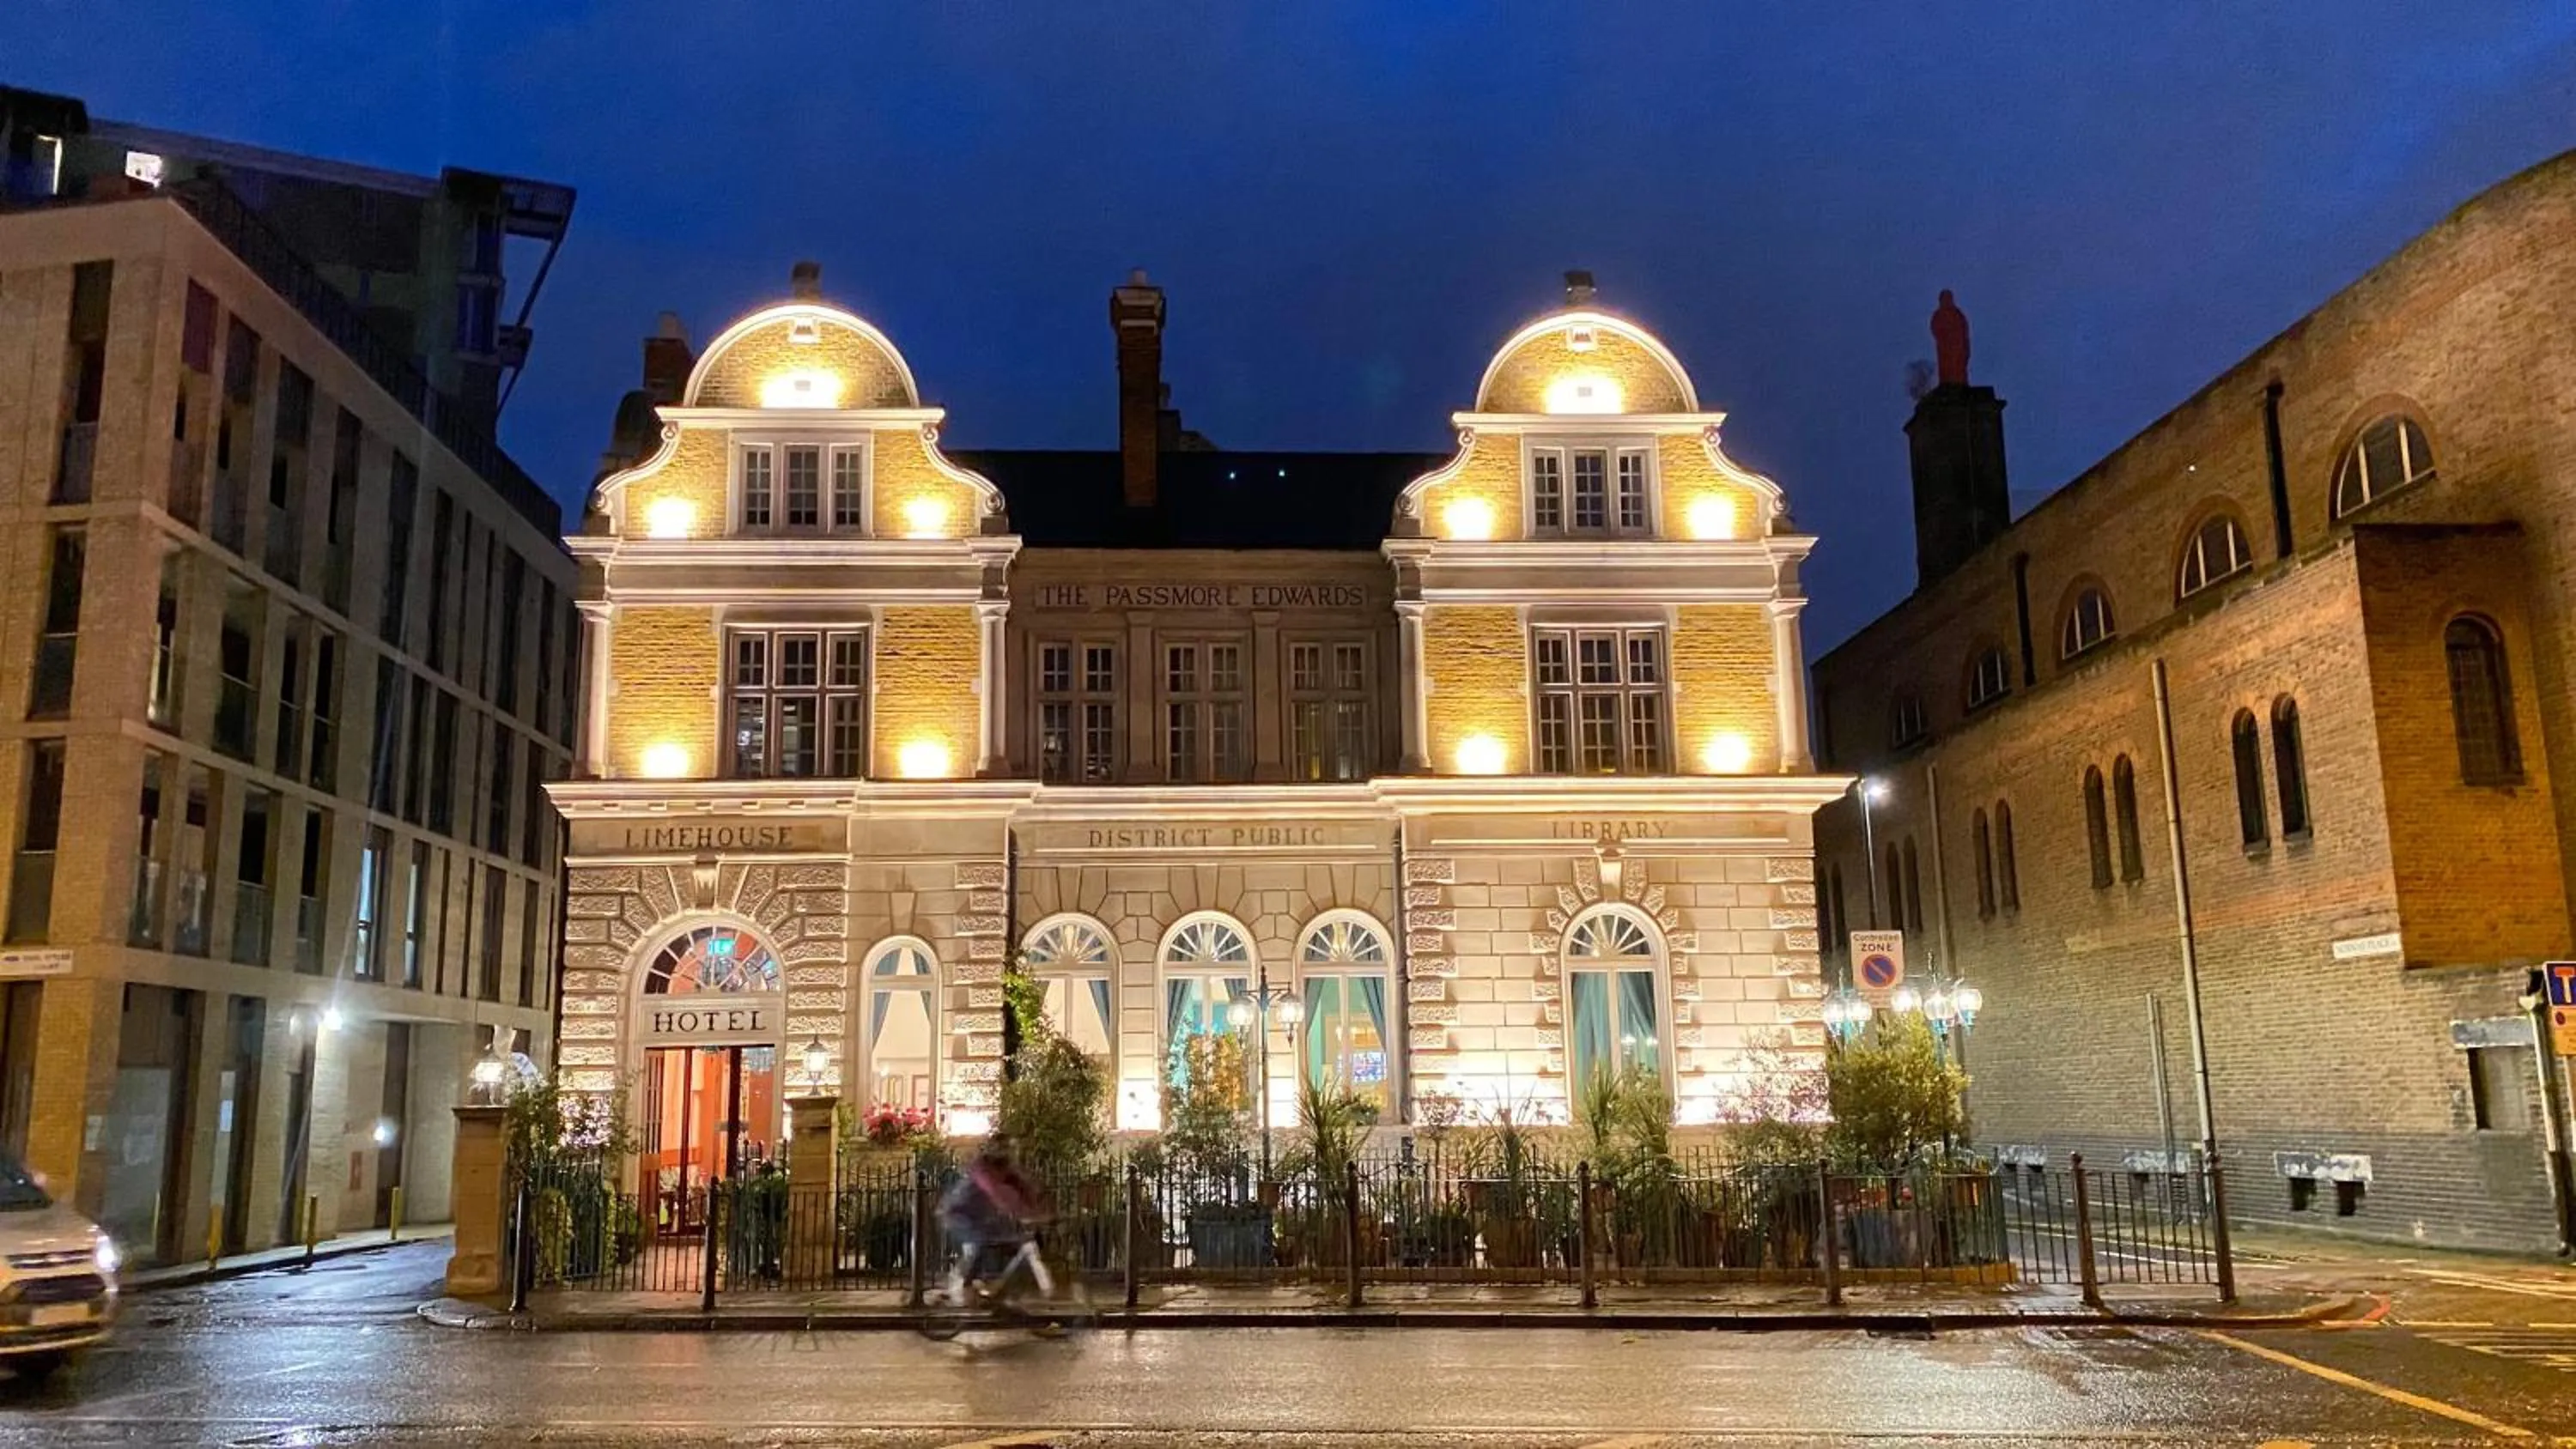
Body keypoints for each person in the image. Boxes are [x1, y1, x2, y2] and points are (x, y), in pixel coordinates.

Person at [938, 1134, 1045, 1300]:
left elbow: (1025, 1190)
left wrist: (1040, 1212)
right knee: (979, 1243)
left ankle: (994, 1285)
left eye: (1011, 1149)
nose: (1009, 1153)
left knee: (1012, 1241)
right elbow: (993, 1190)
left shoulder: (1007, 1170)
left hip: (982, 1217)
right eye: (1005, 1149)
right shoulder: (981, 1167)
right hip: (958, 1214)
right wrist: (1020, 1212)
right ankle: (963, 1285)